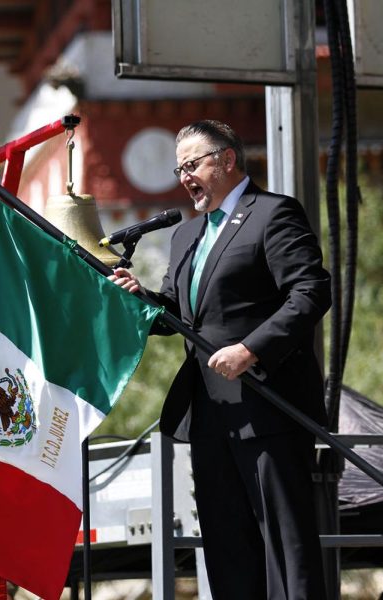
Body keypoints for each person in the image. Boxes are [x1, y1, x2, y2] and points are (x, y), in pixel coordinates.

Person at [110, 120, 330, 599]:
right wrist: (137, 298)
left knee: (285, 548)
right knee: (227, 549)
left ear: (227, 160)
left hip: (268, 406)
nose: (183, 177)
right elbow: (174, 316)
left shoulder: (273, 214)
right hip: (211, 414)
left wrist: (252, 348)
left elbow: (311, 291)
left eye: (192, 164)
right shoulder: (186, 236)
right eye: (178, 168)